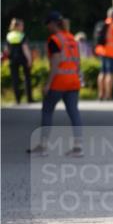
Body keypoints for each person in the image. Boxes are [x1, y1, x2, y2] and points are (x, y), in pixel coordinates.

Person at [28, 11, 83, 157]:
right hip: (73, 81)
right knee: (74, 112)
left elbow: (55, 63)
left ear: (53, 24)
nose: (47, 27)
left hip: (59, 82)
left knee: (47, 111)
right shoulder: (72, 38)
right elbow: (78, 62)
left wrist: (48, 84)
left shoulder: (55, 40)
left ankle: (43, 146)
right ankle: (78, 148)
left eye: (48, 24)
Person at [4, 18, 33, 104]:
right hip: (22, 58)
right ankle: (29, 98)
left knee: (15, 79)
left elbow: (7, 50)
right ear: (17, 26)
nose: (23, 27)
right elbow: (25, 49)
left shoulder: (9, 36)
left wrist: (6, 59)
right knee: (27, 77)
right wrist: (29, 59)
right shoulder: (22, 35)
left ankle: (17, 99)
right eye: (21, 25)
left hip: (12, 59)